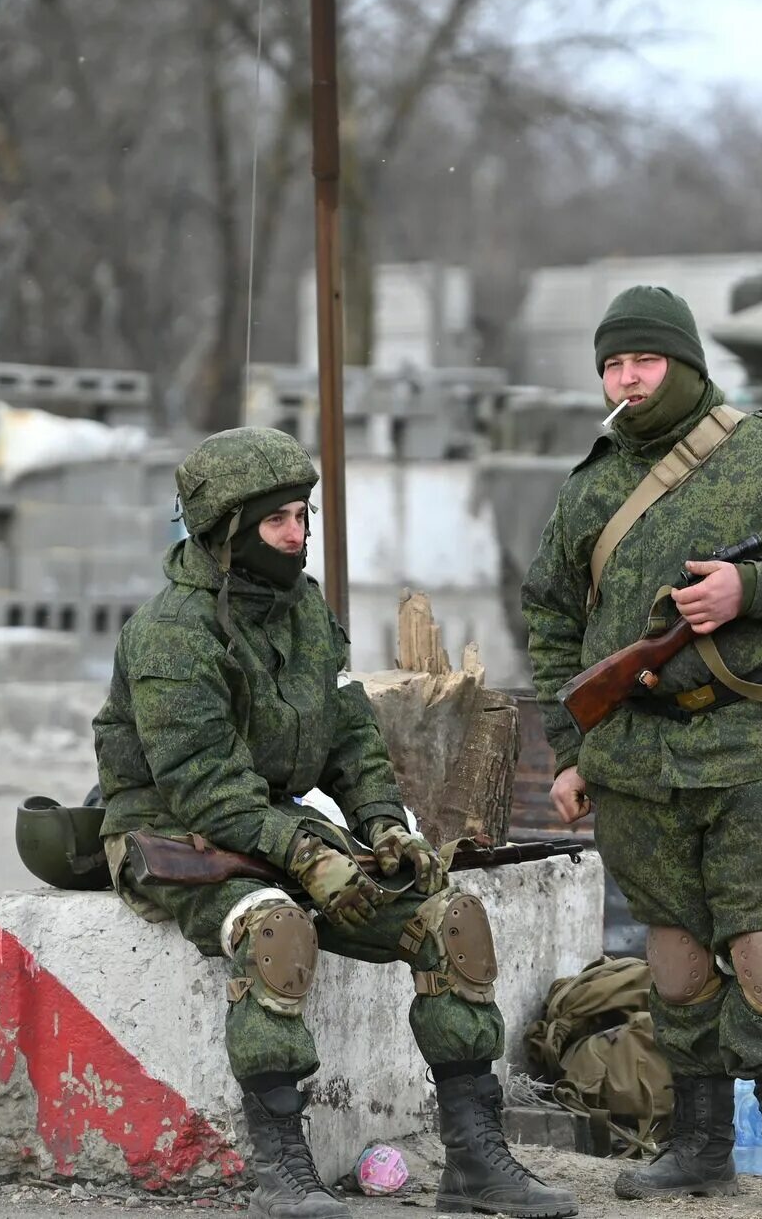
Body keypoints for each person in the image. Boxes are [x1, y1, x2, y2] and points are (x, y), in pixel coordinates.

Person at [90, 426, 576, 1219]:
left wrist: (386, 827)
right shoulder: (171, 634)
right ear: (226, 533)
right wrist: (310, 860)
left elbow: (352, 737)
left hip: (274, 822)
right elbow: (203, 784)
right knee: (278, 931)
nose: (299, 535)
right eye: (279, 520)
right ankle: (283, 1164)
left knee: (450, 922)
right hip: (174, 835)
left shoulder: (305, 611)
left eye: (304, 515)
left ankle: (476, 1162)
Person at [520, 286, 762, 1212]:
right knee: (676, 963)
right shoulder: (591, 487)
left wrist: (747, 590)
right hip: (639, 757)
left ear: (684, 363)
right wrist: (570, 751)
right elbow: (553, 621)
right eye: (612, 364)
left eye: (643, 360)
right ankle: (700, 1148)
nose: (627, 378)